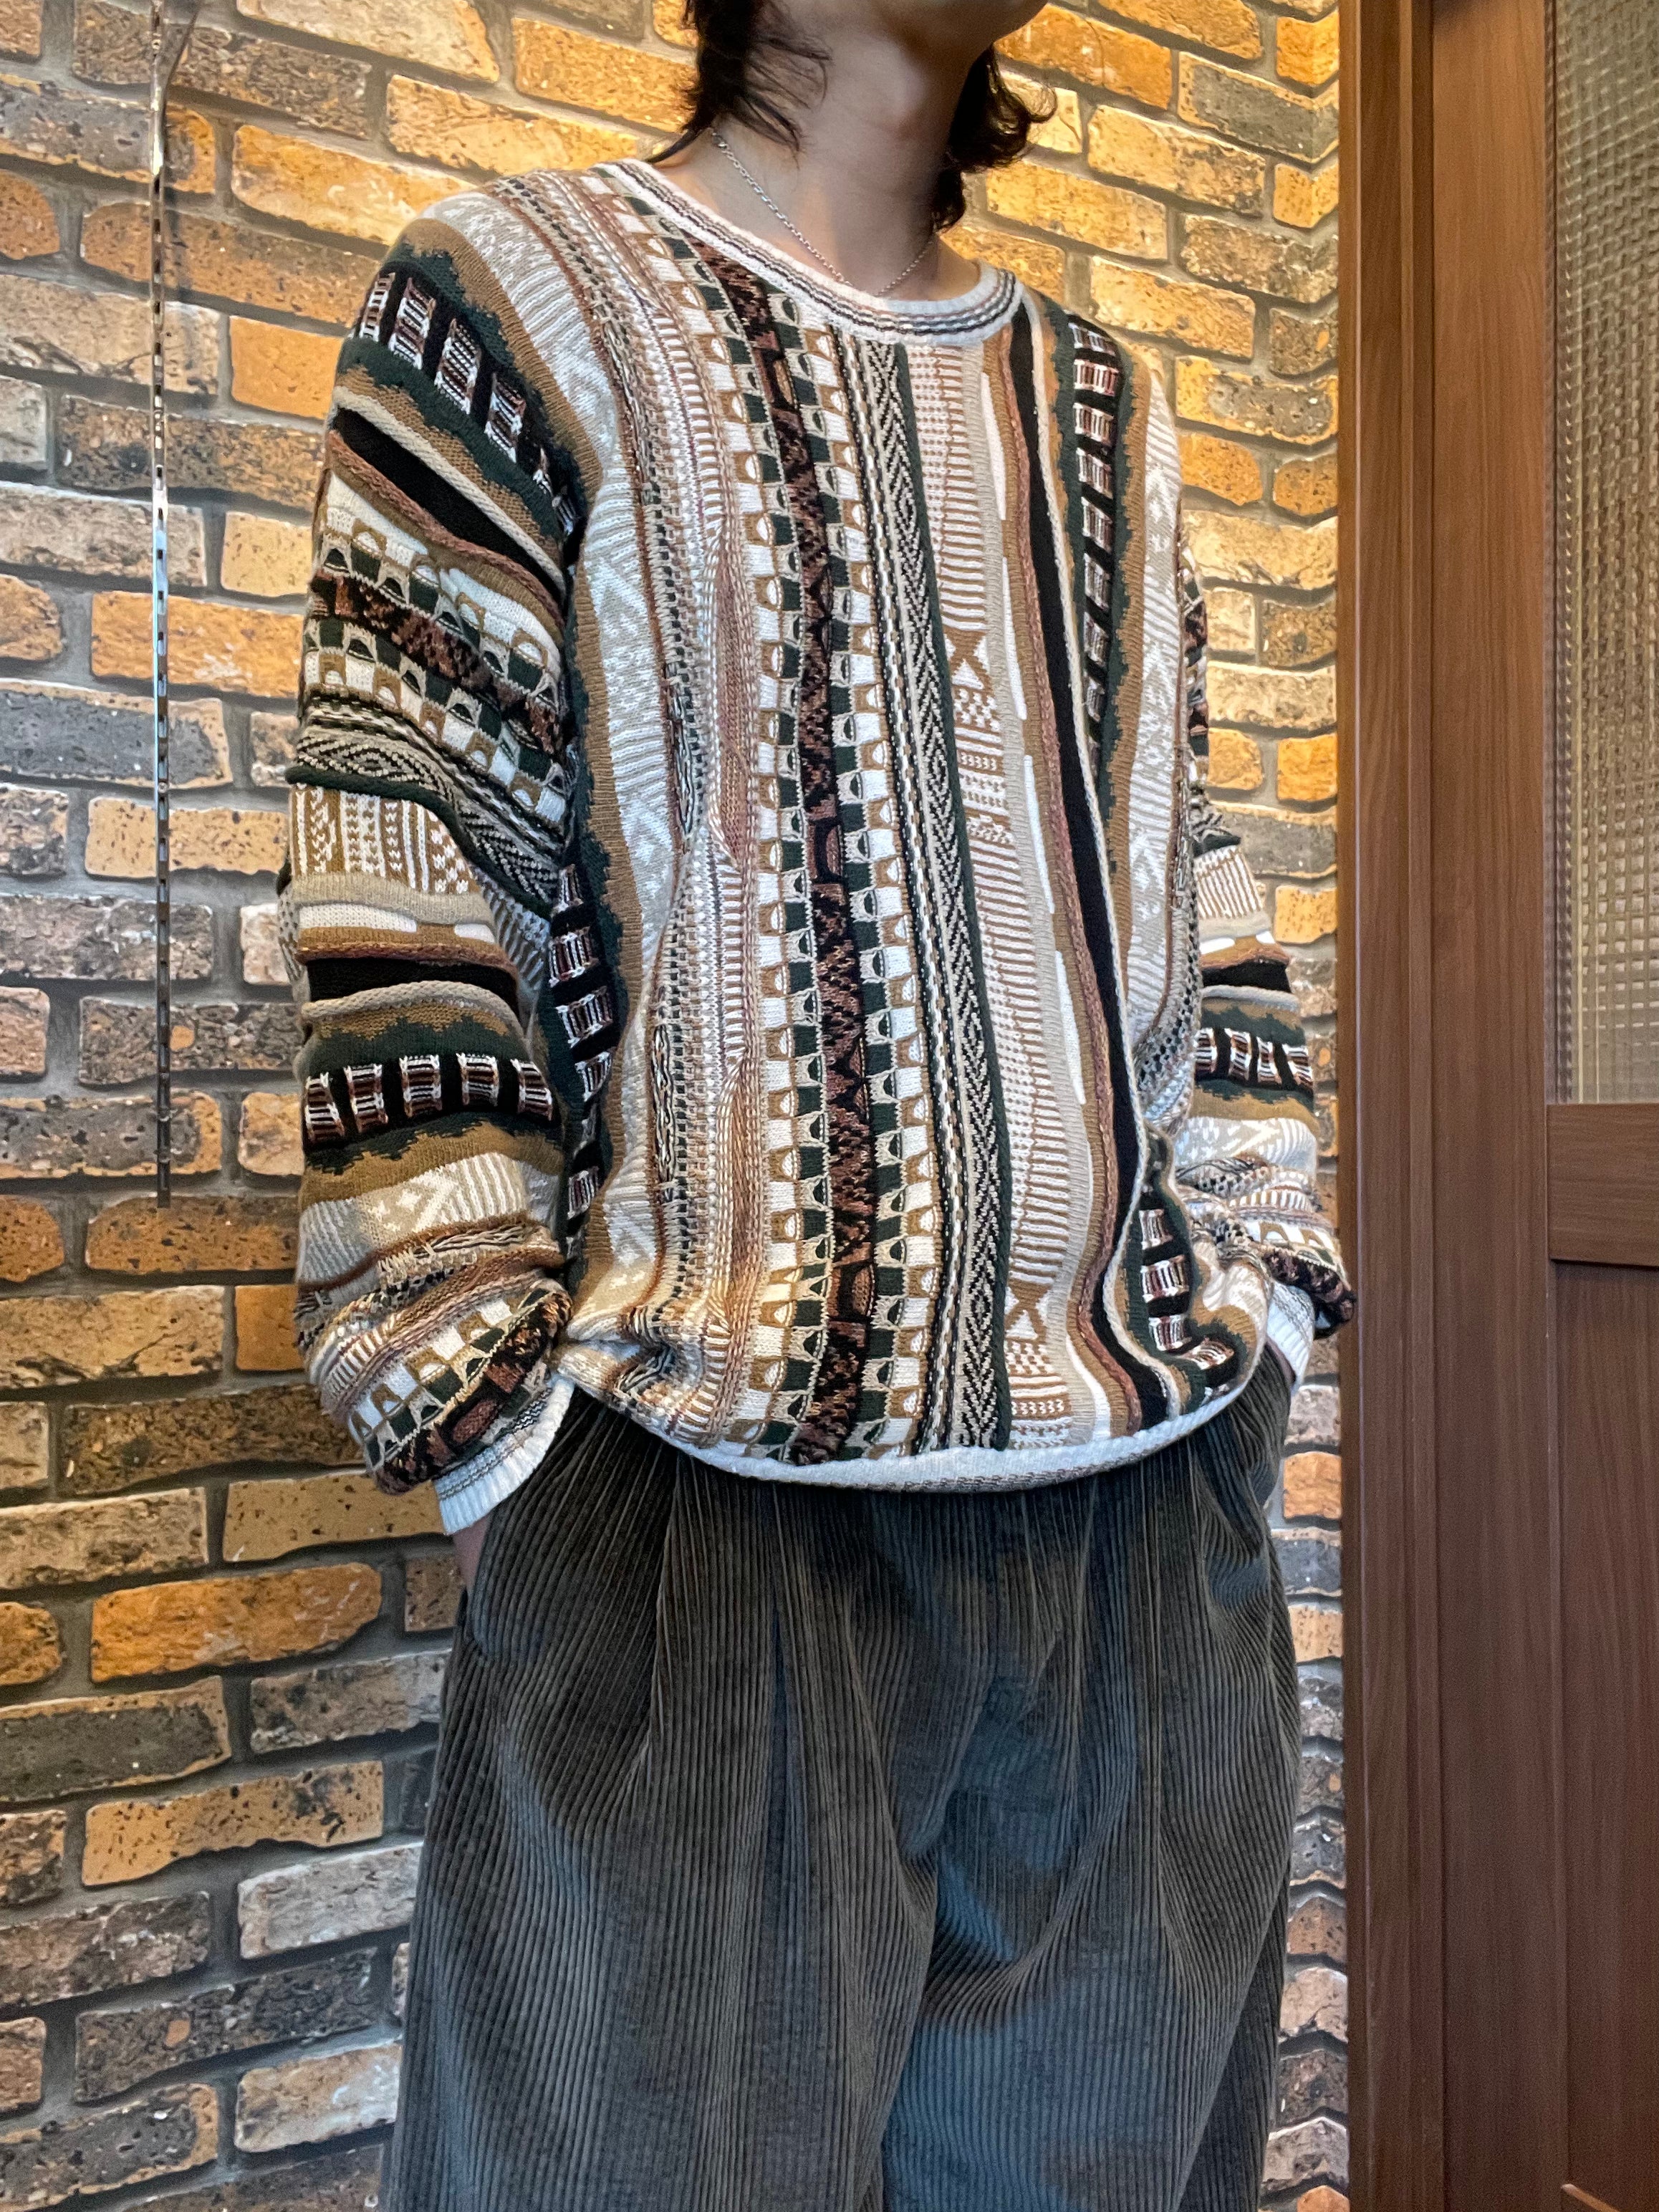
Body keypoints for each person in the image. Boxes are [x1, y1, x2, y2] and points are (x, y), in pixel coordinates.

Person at [279, 3, 1352, 2205]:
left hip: (1140, 1535)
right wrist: (493, 1431)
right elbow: (410, 859)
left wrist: (1263, 1303)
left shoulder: (1103, 404)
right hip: (696, 1519)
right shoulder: (512, 305)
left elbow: (1188, 874)